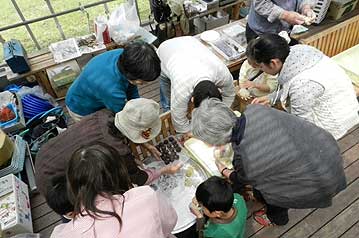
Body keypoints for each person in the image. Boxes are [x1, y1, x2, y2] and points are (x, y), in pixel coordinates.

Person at [191, 98, 346, 226]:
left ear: (218, 140)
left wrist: (225, 171)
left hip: (318, 178)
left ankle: (277, 219)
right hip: (326, 149)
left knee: (273, 193)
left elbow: (245, 178)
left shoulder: (248, 159)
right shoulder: (255, 109)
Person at [35, 98, 181, 197]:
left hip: (46, 154)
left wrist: (145, 145)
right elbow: (139, 178)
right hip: (56, 183)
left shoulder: (105, 115)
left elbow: (121, 132)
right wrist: (164, 170)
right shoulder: (117, 152)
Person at [50, 142, 177, 238]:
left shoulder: (60, 234)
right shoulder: (146, 197)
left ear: (71, 183)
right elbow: (169, 224)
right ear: (120, 172)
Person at [248, 34, 359, 140]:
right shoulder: (300, 52)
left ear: (273, 63)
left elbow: (302, 126)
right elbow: (295, 87)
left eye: (261, 67)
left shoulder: (302, 85)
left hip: (336, 124)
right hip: (346, 102)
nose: (262, 71)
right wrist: (271, 98)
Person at [157, 36, 235, 135]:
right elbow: (179, 122)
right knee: (169, 103)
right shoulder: (181, 89)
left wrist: (221, 114)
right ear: (192, 100)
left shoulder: (222, 74)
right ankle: (168, 125)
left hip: (190, 44)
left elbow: (230, 94)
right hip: (166, 51)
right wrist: (192, 134)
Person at [65, 41, 161, 121]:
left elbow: (131, 86)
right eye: (143, 82)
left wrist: (137, 104)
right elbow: (122, 115)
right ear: (130, 75)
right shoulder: (111, 90)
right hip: (81, 107)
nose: (144, 84)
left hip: (95, 90)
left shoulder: (125, 56)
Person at [246, 0, 316, 43]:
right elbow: (260, 3)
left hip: (284, 30)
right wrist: (285, 15)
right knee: (263, 63)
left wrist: (306, 7)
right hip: (261, 30)